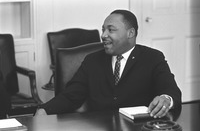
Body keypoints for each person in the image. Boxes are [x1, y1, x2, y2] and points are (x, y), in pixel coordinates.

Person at [36, 9, 182, 118]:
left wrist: (166, 99)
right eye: (103, 30)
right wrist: (44, 109)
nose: (103, 35)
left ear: (130, 33)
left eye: (110, 30)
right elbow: (71, 96)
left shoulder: (153, 58)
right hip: (99, 126)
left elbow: (171, 91)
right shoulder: (92, 61)